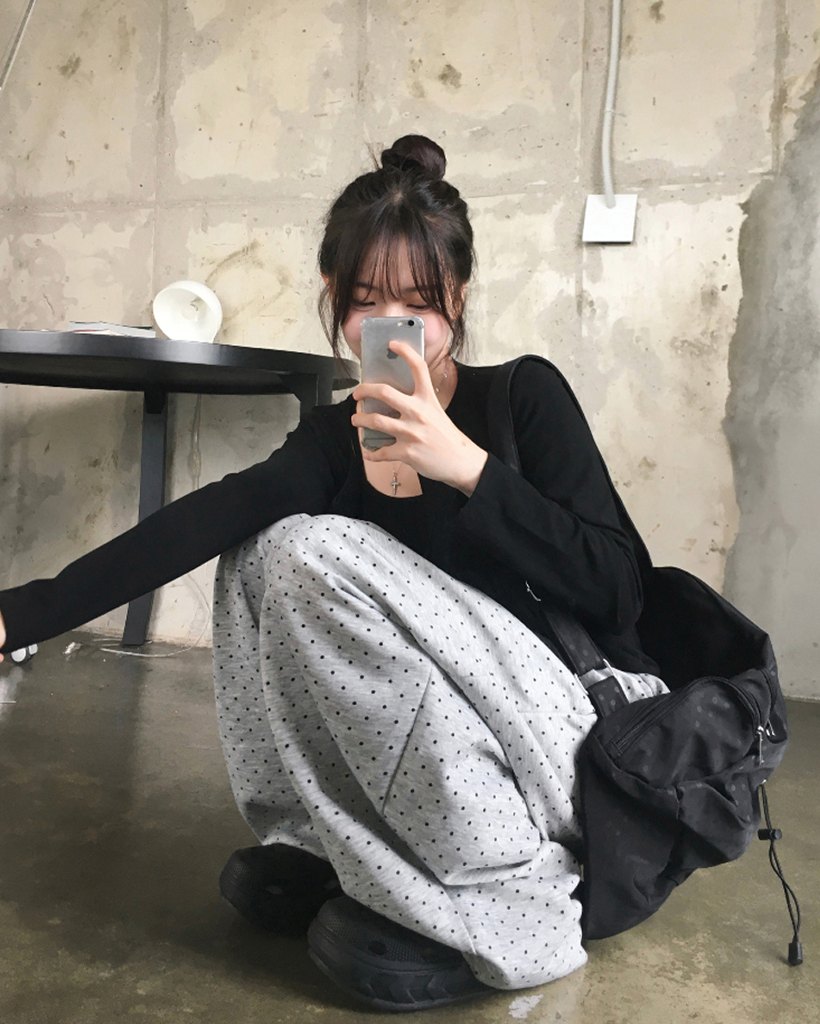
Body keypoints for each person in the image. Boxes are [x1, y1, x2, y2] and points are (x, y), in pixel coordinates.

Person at [0, 135, 667, 1011]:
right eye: (366, 303)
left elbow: (622, 590)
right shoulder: (333, 437)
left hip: (568, 742)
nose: (393, 327)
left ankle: (511, 903)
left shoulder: (522, 399)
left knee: (306, 549)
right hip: (455, 758)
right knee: (259, 551)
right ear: (334, 298)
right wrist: (19, 615)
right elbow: (211, 516)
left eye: (419, 305)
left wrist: (469, 469)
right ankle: (337, 851)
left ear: (460, 297)